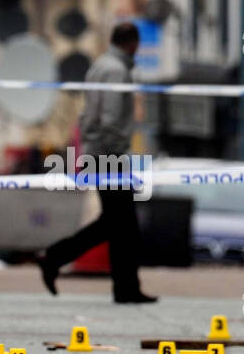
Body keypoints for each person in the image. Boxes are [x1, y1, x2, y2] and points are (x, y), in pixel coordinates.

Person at [38, 22, 156, 303]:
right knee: (121, 224)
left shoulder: (101, 65)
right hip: (108, 154)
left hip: (98, 153)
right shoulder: (116, 71)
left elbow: (90, 115)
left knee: (118, 224)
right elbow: (111, 118)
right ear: (132, 43)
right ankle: (55, 258)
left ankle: (125, 287)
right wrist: (115, 154)